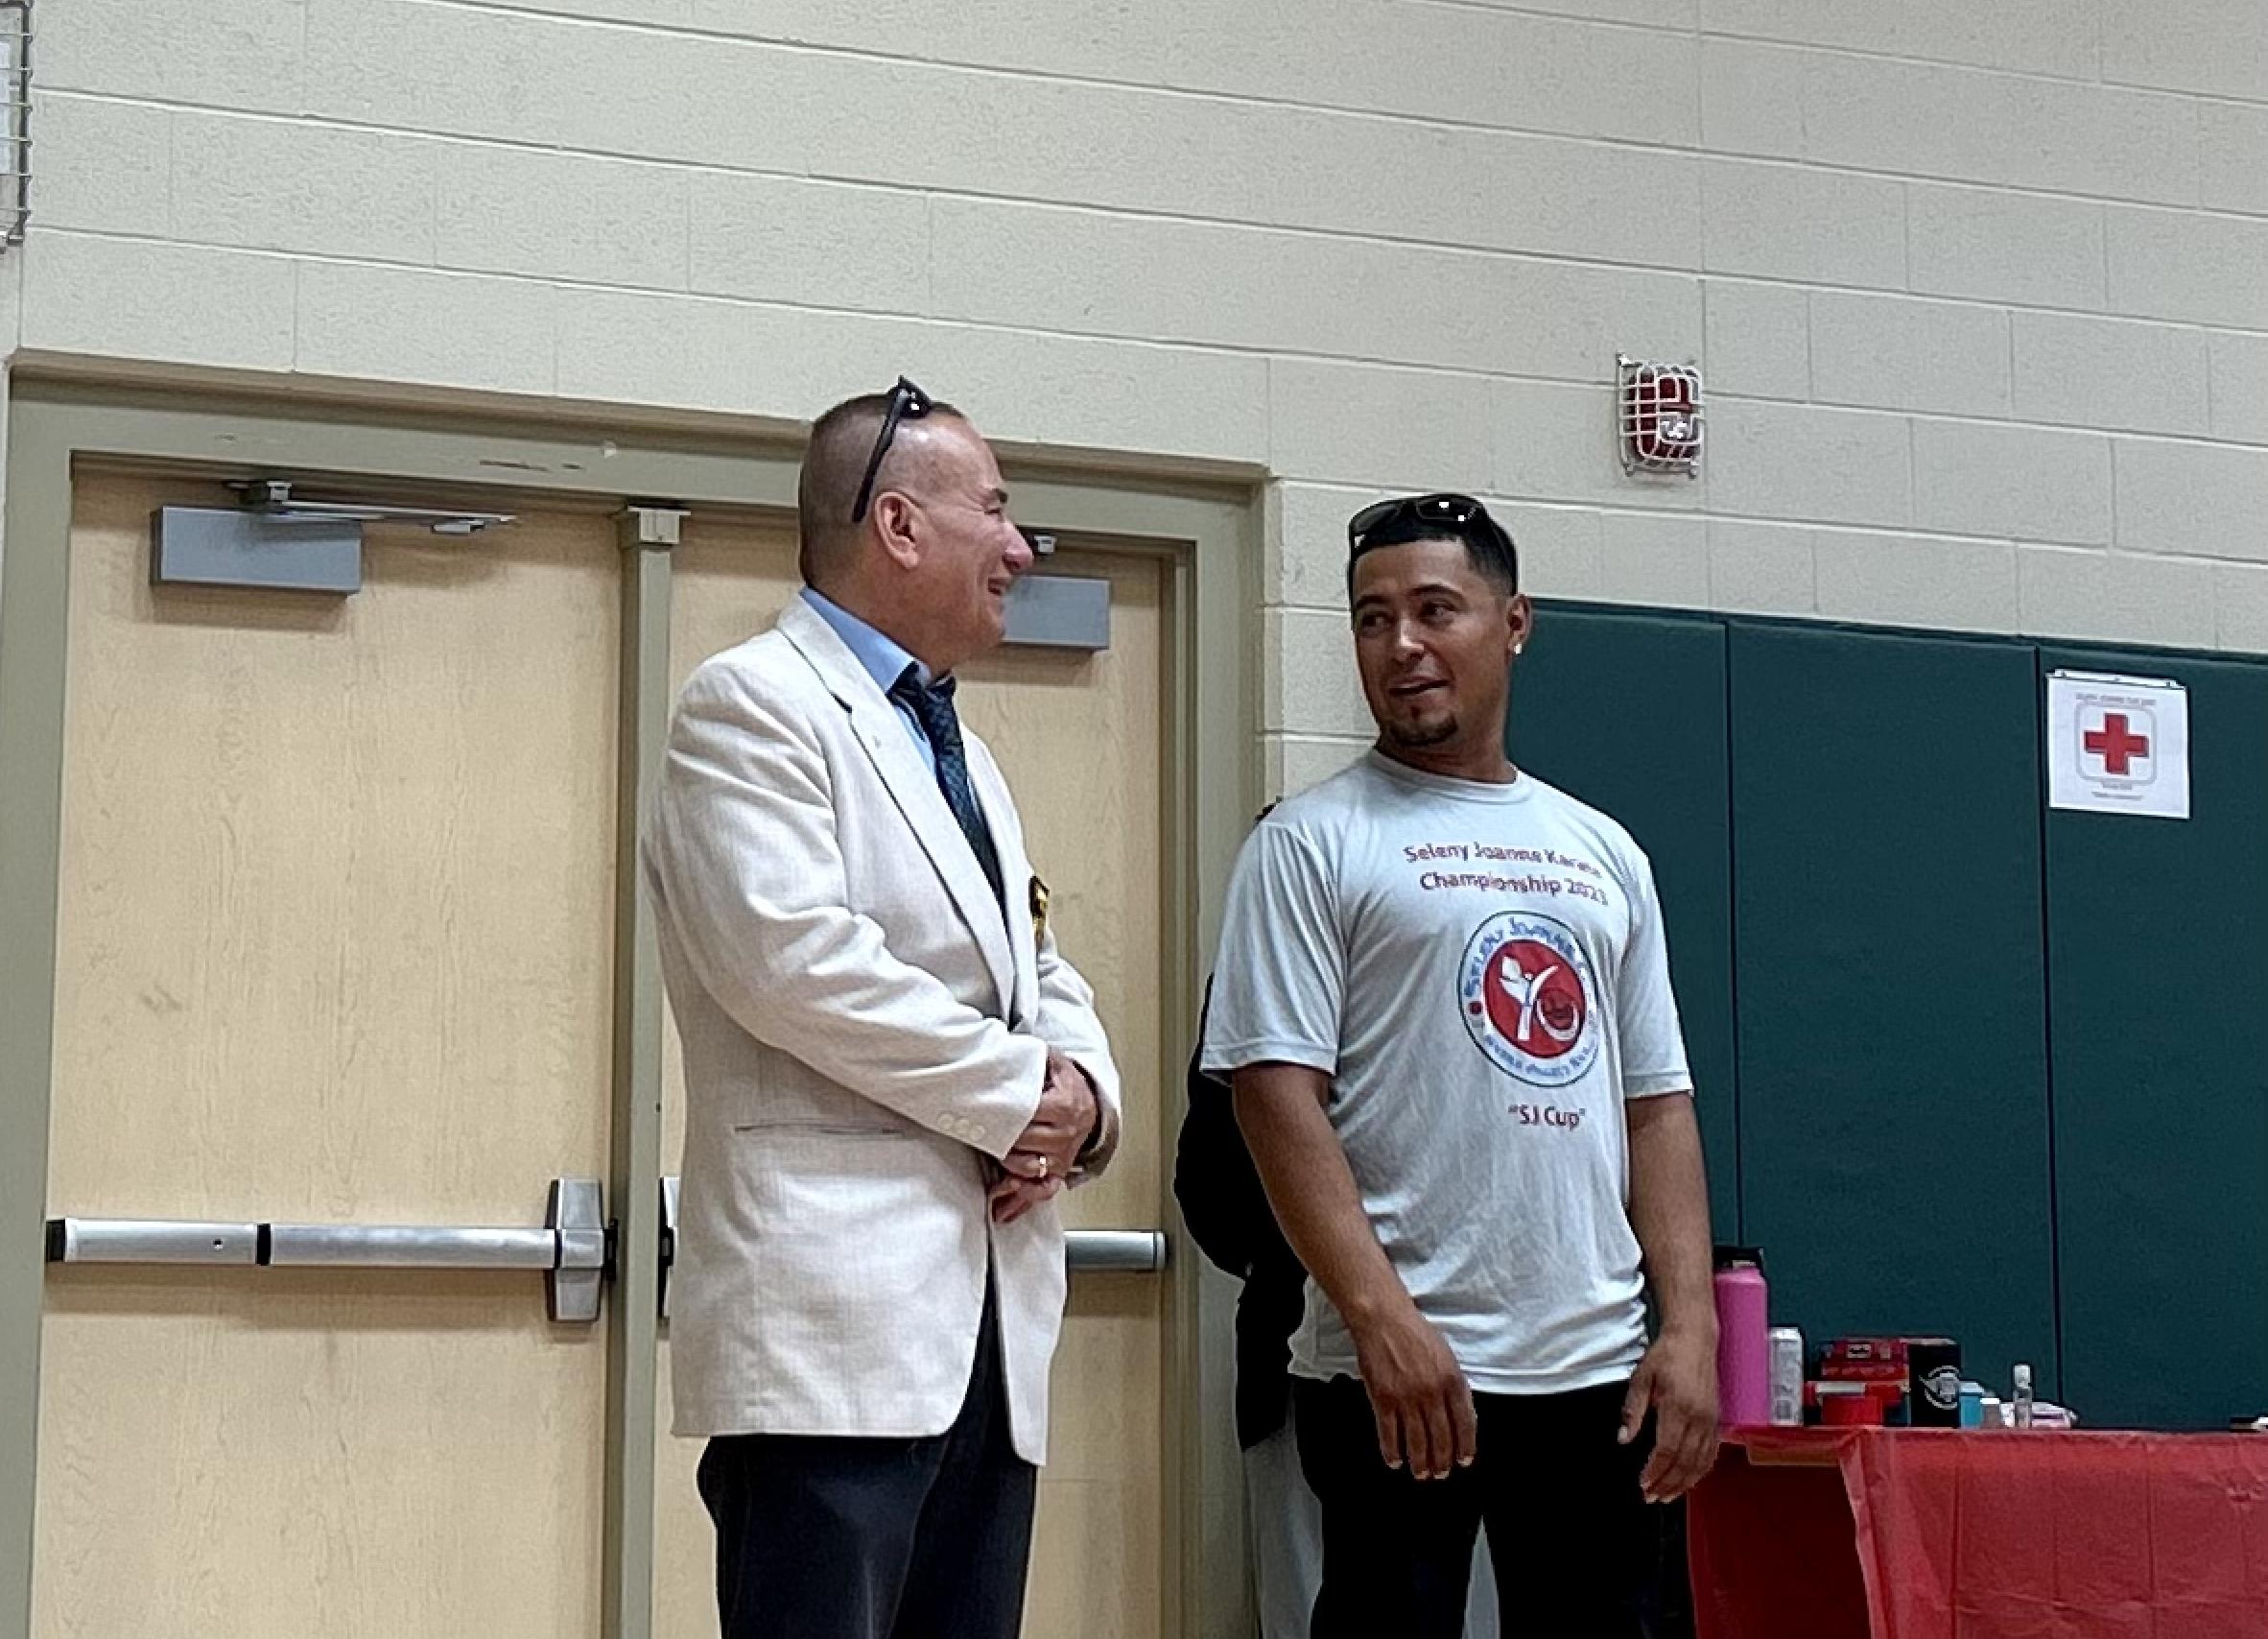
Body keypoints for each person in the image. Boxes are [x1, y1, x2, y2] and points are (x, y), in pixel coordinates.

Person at [642, 377, 1122, 1639]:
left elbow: (1034, 965)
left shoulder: (956, 743)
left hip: (986, 1340)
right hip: (830, 1344)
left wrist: (1085, 1094)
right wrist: (1022, 1097)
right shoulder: (750, 705)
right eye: (998, 514)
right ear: (900, 526)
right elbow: (794, 963)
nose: (1020, 548)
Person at [1199, 492, 1719, 1638]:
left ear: (1515, 621)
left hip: (1597, 1371)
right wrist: (1380, 1318)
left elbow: (1655, 1104)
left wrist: (1688, 1328)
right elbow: (1273, 1095)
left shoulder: (1603, 853)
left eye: (1436, 610)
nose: (1403, 646)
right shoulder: (1310, 843)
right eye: (1373, 618)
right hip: (1398, 1369)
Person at [1177, 959, 1501, 1639]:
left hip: (1495, 1379)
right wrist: (1331, 1270)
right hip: (1313, 1364)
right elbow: (1211, 1185)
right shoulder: (1284, 940)